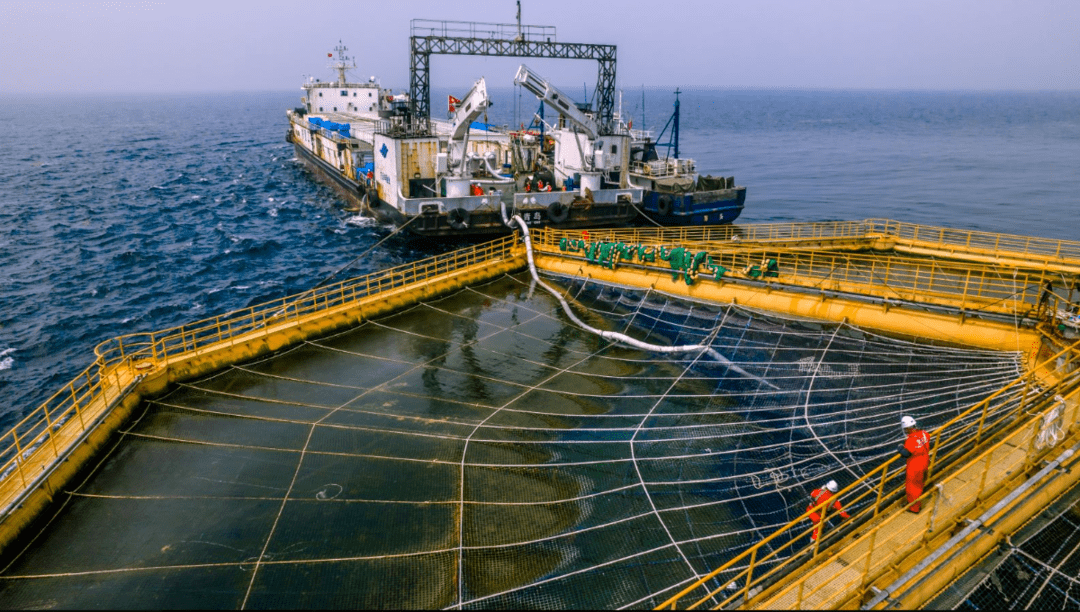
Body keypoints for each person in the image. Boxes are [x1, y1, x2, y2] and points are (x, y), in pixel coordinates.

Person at [898, 416, 930, 513]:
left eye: (906, 429)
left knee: (912, 488)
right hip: (925, 460)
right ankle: (915, 504)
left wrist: (899, 448)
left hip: (915, 465)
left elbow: (906, 454)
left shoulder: (910, 440)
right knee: (919, 484)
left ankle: (914, 508)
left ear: (907, 428)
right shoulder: (924, 433)